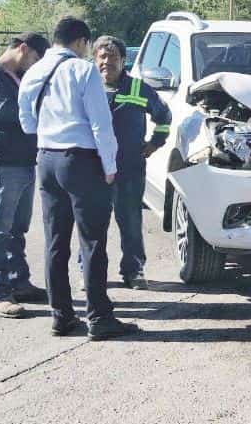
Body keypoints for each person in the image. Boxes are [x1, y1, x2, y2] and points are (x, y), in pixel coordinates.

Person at [18, 17, 138, 340]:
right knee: (93, 242)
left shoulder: (34, 71)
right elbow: (101, 124)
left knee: (55, 241)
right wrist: (110, 165)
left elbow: (26, 121)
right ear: (82, 43)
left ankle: (61, 316)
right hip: (82, 162)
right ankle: (99, 317)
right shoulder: (83, 71)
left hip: (47, 159)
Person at [0, 32, 50, 319]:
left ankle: (19, 282)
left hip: (23, 162)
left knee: (18, 229)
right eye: (34, 59)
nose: (33, 66)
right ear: (22, 48)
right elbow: (5, 111)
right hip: (1, 164)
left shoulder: (12, 76)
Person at [90, 35, 171, 290]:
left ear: (124, 60)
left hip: (129, 169)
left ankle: (134, 270)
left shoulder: (139, 88)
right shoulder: (86, 88)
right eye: (102, 57)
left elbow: (164, 116)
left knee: (130, 222)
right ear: (94, 60)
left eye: (113, 57)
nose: (107, 62)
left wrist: (155, 143)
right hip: (93, 169)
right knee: (92, 224)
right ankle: (91, 271)